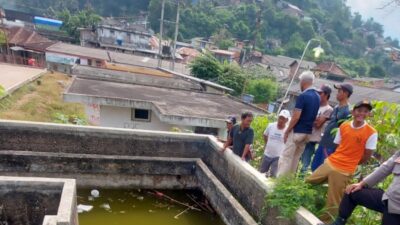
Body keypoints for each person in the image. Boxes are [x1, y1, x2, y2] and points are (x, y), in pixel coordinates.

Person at [306, 100, 378, 223]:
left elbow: (367, 154)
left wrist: (353, 162)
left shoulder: (371, 132)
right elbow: (337, 144)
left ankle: (325, 222)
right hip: (331, 163)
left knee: (333, 201)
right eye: (359, 110)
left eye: (365, 111)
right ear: (354, 111)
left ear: (368, 114)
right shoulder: (344, 125)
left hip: (344, 170)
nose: (362, 113)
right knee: (308, 182)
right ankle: (301, 201)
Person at [328, 151, 400, 225]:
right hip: (388, 198)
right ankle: (338, 222)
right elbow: (385, 167)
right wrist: (362, 184)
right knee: (352, 191)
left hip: (397, 210)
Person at [277, 71, 320, 177]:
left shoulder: (303, 96)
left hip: (297, 131)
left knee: (286, 157)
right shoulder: (317, 97)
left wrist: (287, 131)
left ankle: (278, 184)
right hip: (307, 133)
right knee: (295, 159)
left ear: (303, 81)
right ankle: (288, 184)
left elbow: (296, 116)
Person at [311, 83, 353, 172]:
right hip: (324, 141)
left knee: (323, 168)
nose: (337, 93)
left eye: (339, 91)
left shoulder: (347, 111)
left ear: (345, 93)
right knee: (315, 165)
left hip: (332, 144)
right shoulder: (337, 107)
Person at [300, 85, 333, 174]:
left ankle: (300, 181)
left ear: (326, 95)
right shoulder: (314, 105)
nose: (318, 94)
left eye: (320, 93)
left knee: (305, 164)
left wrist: (308, 118)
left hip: (312, 138)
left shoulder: (329, 109)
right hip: (303, 135)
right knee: (297, 160)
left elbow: (318, 125)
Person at [259, 110, 290, 177]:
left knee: (274, 175)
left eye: (283, 119)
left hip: (278, 156)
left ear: (287, 120)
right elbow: (265, 135)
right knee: (261, 173)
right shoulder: (271, 126)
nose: (281, 120)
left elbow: (288, 142)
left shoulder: (287, 130)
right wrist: (267, 144)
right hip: (267, 154)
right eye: (280, 118)